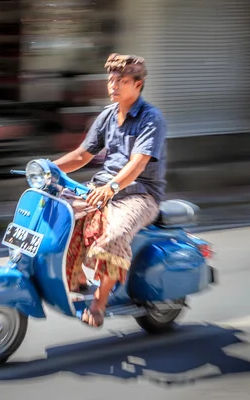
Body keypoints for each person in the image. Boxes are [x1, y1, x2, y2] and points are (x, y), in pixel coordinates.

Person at [53, 53, 167, 328]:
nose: (114, 85)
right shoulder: (107, 115)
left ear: (138, 85)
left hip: (140, 194)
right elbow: (82, 155)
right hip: (103, 188)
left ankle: (100, 302)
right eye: (111, 80)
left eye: (122, 81)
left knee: (115, 235)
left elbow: (138, 163)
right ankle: (77, 278)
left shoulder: (151, 118)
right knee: (61, 215)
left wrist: (113, 186)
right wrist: (47, 168)